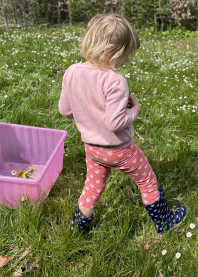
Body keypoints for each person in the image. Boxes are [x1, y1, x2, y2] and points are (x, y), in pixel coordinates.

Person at [58, 13, 186, 235]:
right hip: (120, 150)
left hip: (92, 149)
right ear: (110, 49)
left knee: (92, 187)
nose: (127, 61)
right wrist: (135, 110)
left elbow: (65, 110)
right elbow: (115, 122)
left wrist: (87, 114)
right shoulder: (114, 80)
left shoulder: (72, 72)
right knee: (147, 181)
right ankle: (164, 222)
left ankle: (78, 229)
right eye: (125, 55)